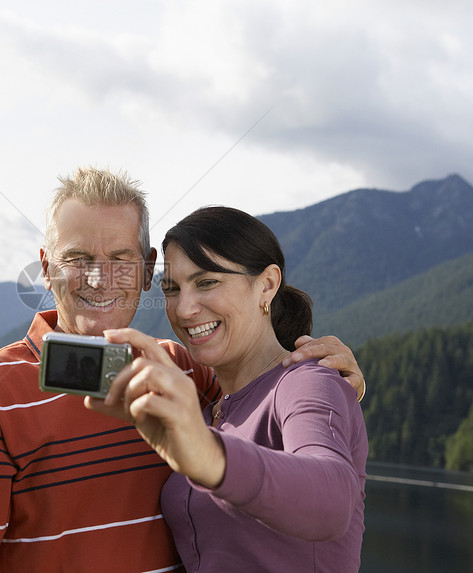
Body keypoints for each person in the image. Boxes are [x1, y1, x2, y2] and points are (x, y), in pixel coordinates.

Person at [0, 167, 365, 572]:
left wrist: (328, 380)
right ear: (46, 268)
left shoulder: (184, 372)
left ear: (147, 268)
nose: (100, 279)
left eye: (120, 258)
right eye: (78, 259)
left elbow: (283, 418)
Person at [92, 206, 368, 572]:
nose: (185, 309)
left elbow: (332, 502)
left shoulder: (307, 381)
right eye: (172, 289)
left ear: (267, 285)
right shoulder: (209, 404)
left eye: (207, 282)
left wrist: (208, 455)